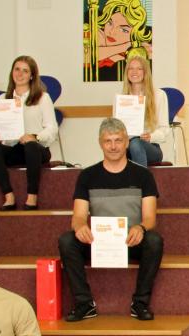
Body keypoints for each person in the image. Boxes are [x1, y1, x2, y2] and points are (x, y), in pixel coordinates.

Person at [58, 117, 162, 322]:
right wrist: (80, 227)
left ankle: (140, 303)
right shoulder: (87, 175)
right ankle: (84, 303)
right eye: (108, 141)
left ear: (126, 142)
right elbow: (78, 216)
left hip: (131, 240)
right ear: (100, 143)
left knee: (155, 241)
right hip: (99, 243)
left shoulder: (143, 175)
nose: (113, 146)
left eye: (118, 140)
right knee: (67, 240)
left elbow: (150, 218)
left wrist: (140, 228)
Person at [0, 55, 57, 210]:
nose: (20, 74)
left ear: (32, 75)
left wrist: (35, 137)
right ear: (12, 72)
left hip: (37, 149)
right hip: (14, 148)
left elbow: (52, 129)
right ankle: (8, 196)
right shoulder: (3, 98)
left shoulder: (43, 98)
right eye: (17, 69)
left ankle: (32, 197)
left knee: (31, 146)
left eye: (25, 71)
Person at [118, 54, 170, 167]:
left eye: (139, 68)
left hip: (151, 147)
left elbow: (165, 130)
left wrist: (151, 136)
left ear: (145, 72)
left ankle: (141, 183)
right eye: (131, 68)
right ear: (126, 73)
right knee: (116, 147)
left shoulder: (159, 95)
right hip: (127, 146)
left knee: (136, 144)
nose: (134, 72)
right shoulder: (122, 98)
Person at [83, 0, 153, 82]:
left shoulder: (138, 52)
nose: (111, 32)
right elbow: (86, 56)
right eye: (110, 23)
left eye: (123, 30)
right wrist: (127, 45)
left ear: (134, 34)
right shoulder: (96, 34)